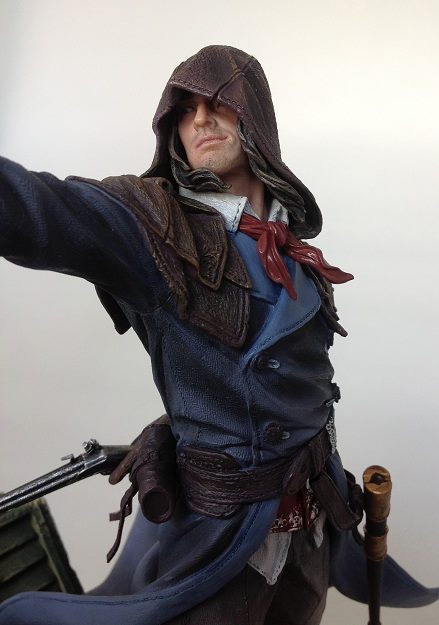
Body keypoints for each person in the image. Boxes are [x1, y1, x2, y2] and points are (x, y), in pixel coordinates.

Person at [0, 45, 437, 625]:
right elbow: (39, 211)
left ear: (255, 117)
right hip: (220, 546)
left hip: (308, 535)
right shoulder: (155, 228)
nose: (200, 119)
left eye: (218, 103)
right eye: (184, 110)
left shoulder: (298, 255)